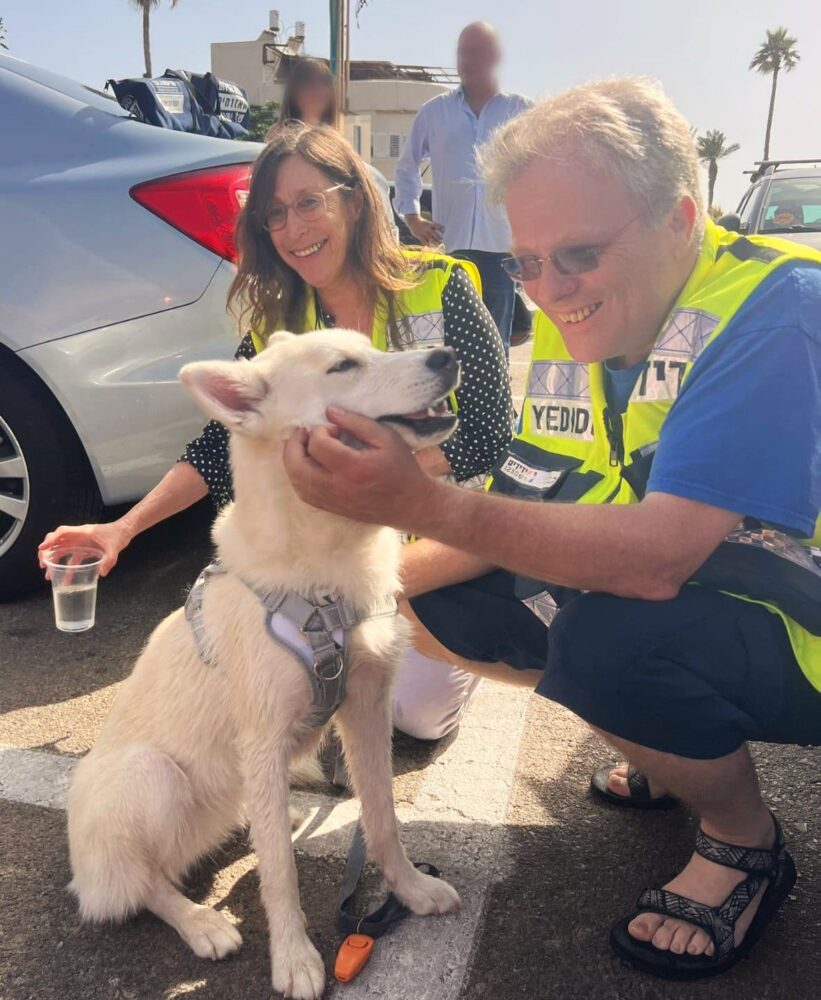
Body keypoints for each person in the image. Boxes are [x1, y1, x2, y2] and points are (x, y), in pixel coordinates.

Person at [282, 80, 821, 979]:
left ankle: (741, 840)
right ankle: (665, 746)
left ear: (680, 217)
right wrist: (349, 598)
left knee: (610, 642)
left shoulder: (773, 314)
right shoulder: (595, 327)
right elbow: (530, 510)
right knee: (442, 600)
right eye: (527, 263)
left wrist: (415, 505)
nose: (548, 291)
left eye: (575, 253)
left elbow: (655, 561)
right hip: (729, 593)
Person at [39, 122, 513, 742]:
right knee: (286, 659)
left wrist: (370, 483)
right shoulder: (279, 332)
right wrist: (120, 528)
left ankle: (456, 637)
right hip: (338, 548)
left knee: (414, 713)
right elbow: (215, 451)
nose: (294, 230)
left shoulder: (441, 284)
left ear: (352, 198)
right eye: (276, 215)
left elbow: (488, 430)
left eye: (309, 203)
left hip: (441, 537)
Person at [394, 21, 531, 352]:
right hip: (451, 248)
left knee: (496, 343)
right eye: (463, 52)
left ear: (496, 57)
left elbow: (545, 173)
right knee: (451, 343)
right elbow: (407, 166)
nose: (467, 60)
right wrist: (413, 218)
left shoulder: (521, 112)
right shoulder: (435, 113)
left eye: (477, 52)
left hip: (501, 250)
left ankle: (493, 404)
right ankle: (455, 404)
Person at [268, 57, 397, 239]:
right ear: (293, 90)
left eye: (324, 81)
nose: (316, 89)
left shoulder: (347, 158)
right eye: (306, 81)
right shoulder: (276, 152)